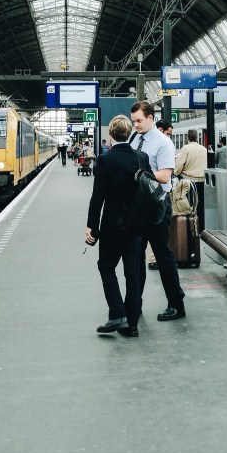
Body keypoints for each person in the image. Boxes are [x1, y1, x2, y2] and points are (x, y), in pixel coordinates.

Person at [85, 114, 148, 338]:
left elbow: (97, 197)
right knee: (133, 273)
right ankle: (132, 325)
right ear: (130, 133)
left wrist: (91, 226)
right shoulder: (141, 157)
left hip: (112, 224)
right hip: (137, 225)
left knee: (106, 266)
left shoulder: (105, 160)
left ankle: (117, 313)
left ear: (110, 134)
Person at [130, 99, 186, 321]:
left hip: (157, 205)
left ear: (151, 118)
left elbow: (165, 175)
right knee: (135, 257)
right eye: (134, 121)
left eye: (139, 121)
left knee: (163, 255)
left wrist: (139, 175)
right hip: (137, 206)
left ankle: (176, 304)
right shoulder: (135, 138)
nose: (136, 125)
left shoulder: (163, 143)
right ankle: (135, 304)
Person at [175, 128, 208, 232]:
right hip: (202, 182)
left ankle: (190, 229)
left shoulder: (186, 148)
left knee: (188, 206)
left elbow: (179, 165)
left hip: (188, 182)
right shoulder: (204, 149)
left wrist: (175, 173)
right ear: (197, 137)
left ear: (187, 137)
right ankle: (201, 228)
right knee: (200, 206)